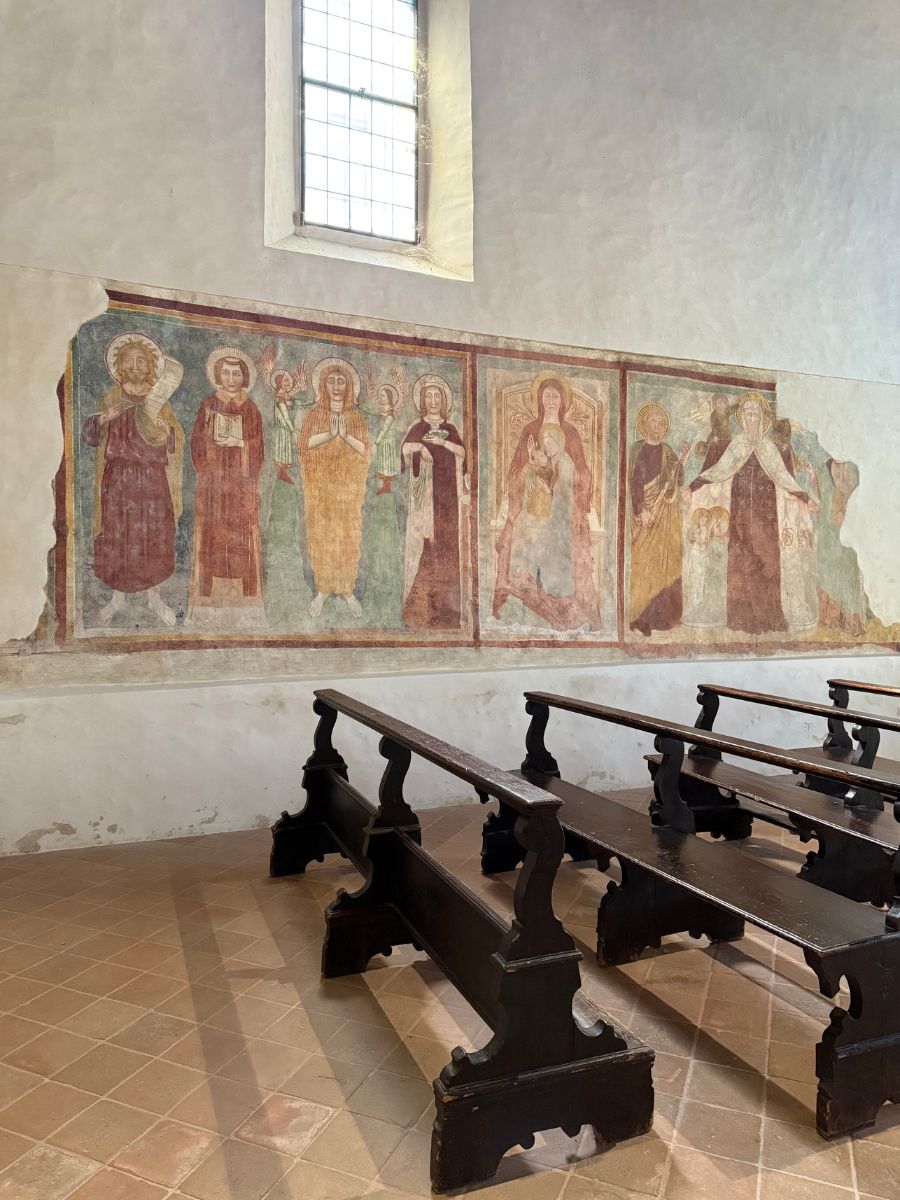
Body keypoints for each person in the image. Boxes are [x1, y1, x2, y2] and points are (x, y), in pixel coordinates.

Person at [688, 391, 817, 634]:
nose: (751, 417)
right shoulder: (737, 444)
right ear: (742, 418)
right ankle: (740, 618)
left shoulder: (769, 447)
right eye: (747, 413)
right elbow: (719, 470)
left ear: (762, 418)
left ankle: (769, 617)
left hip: (766, 515)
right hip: (740, 516)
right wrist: (693, 486)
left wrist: (806, 498)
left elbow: (784, 477)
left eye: (755, 413)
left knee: (767, 560)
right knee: (740, 562)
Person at [81, 333, 183, 627]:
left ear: (150, 365)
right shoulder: (112, 397)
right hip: (119, 478)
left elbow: (174, 439)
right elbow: (91, 436)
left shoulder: (158, 400)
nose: (135, 365)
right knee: (118, 536)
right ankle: (117, 599)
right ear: (120, 366)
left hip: (152, 478)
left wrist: (167, 431)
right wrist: (102, 419)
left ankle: (154, 597)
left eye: (141, 360)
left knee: (154, 536)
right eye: (129, 360)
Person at [492, 372, 600, 629]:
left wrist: (569, 478)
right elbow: (515, 470)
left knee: (564, 541)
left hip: (562, 508)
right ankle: (523, 604)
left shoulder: (571, 432)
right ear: (539, 399)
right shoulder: (529, 430)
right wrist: (531, 469)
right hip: (532, 506)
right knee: (517, 532)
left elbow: (583, 472)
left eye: (555, 396)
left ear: (563, 400)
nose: (551, 400)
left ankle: (562, 604)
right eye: (546, 396)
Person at [189, 347, 265, 609]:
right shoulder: (208, 405)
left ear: (244, 377)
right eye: (226, 373)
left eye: (236, 373)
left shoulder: (251, 408)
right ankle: (207, 586)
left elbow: (258, 447)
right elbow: (196, 442)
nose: (231, 378)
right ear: (218, 376)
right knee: (212, 527)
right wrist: (211, 447)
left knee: (241, 529)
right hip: (214, 483)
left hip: (241, 484)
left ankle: (246, 584)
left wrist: (240, 442)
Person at [297, 357, 371, 617]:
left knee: (349, 536)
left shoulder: (356, 418)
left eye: (341, 381)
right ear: (323, 385)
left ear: (349, 386)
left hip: (348, 490)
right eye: (331, 381)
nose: (337, 386)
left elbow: (365, 450)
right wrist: (329, 435)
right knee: (321, 535)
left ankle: (347, 590)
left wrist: (345, 436)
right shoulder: (314, 415)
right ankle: (323, 590)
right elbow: (304, 446)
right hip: (321, 489)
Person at [401, 374, 466, 629]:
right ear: (422, 401)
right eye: (428, 396)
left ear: (444, 401)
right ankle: (421, 611)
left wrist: (443, 443)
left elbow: (462, 452)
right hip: (425, 500)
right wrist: (421, 448)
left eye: (437, 396)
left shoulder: (450, 429)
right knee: (427, 549)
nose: (433, 400)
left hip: (447, 499)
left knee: (447, 550)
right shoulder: (418, 428)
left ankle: (448, 613)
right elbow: (405, 449)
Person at [628, 403, 690, 635]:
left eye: (661, 422)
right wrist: (641, 511)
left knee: (666, 565)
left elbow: (677, 479)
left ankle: (664, 617)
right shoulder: (637, 449)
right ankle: (640, 618)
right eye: (653, 421)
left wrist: (683, 458)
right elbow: (633, 483)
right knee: (644, 565)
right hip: (646, 515)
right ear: (645, 424)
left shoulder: (667, 451)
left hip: (664, 519)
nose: (658, 425)